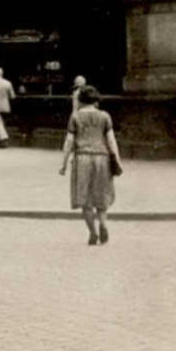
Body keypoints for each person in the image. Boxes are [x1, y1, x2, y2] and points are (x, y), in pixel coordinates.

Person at [59, 86, 123, 246]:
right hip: (102, 158)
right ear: (96, 100)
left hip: (82, 158)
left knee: (85, 198)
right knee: (102, 196)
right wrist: (118, 159)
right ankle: (103, 224)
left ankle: (93, 233)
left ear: (80, 100)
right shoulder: (104, 116)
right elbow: (111, 140)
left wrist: (64, 163)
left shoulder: (75, 117)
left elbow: (69, 142)